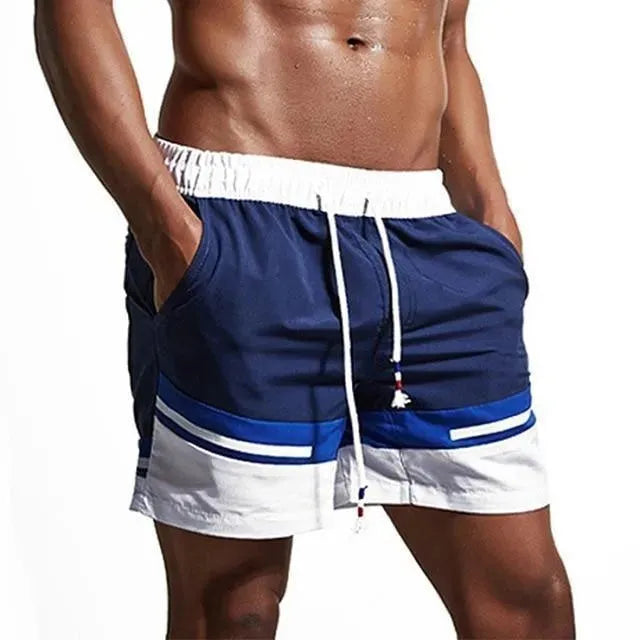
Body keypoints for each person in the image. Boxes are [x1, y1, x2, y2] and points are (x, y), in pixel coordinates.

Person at [35, 0, 575, 638]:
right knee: (234, 609)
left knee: (525, 602)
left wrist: (490, 214)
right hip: (241, 218)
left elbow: (448, 33)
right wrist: (164, 226)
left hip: (428, 242)